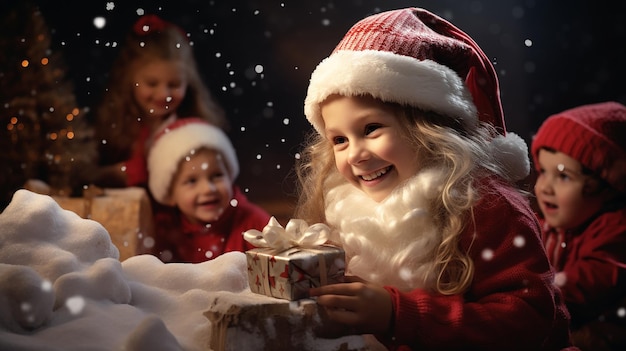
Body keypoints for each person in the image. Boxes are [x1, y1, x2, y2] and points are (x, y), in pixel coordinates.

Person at [294, 8, 578, 350]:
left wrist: (397, 315)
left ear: (430, 131)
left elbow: (529, 319)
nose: (354, 155)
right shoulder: (347, 207)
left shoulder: (488, 207)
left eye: (371, 129)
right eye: (339, 140)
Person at [89, 14, 227, 189]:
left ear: (189, 82)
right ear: (129, 78)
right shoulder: (113, 125)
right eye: (152, 84)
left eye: (174, 84)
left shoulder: (195, 130)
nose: (163, 94)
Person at [531, 101, 626, 351]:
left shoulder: (616, 229)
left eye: (563, 176)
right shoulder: (542, 226)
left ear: (605, 186)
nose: (545, 187)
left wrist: (536, 292)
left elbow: (596, 277)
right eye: (543, 172)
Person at [144, 117, 270, 263]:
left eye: (216, 175)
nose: (208, 189)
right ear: (170, 194)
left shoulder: (253, 223)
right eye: (192, 181)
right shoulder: (165, 231)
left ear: (229, 176)